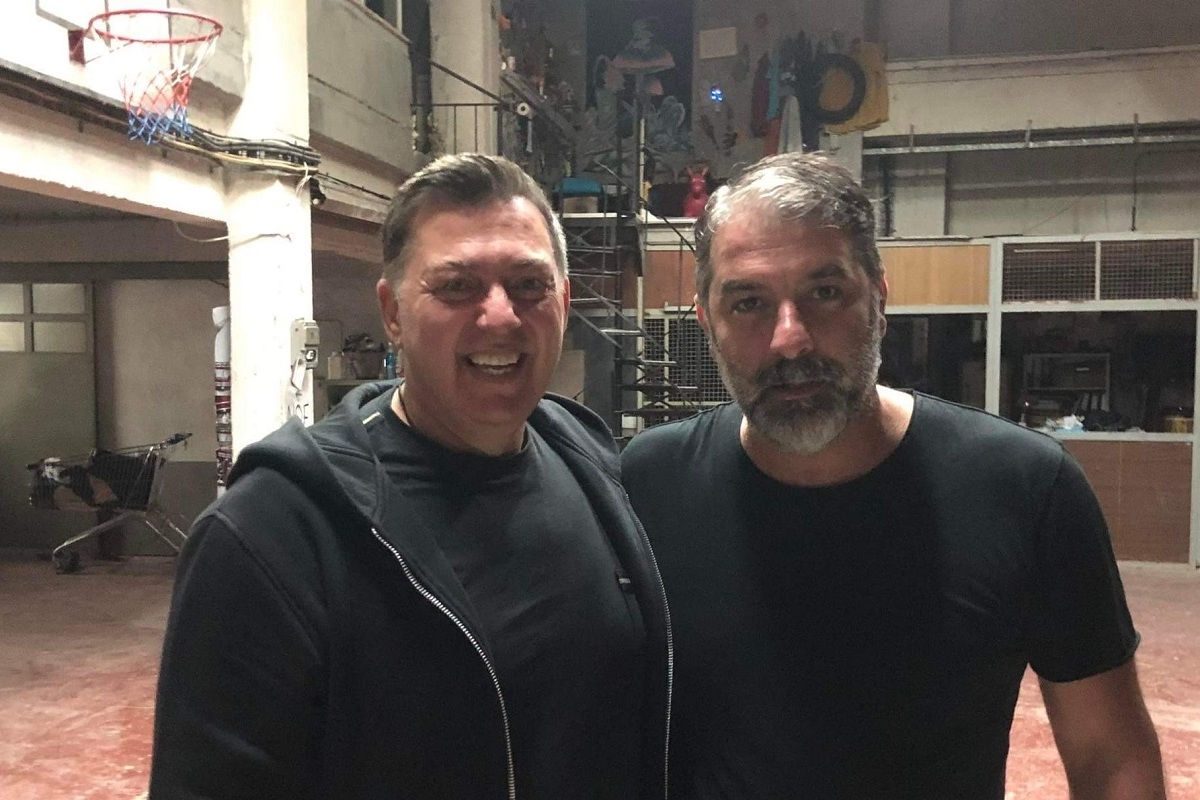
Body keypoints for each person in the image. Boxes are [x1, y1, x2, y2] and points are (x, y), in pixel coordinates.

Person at [621, 152, 1165, 800]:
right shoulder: (648, 486)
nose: (790, 338)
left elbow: (1111, 759)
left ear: (879, 299)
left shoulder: (1024, 490)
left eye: (825, 292)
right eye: (748, 303)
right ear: (707, 322)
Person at [151, 154, 672, 799]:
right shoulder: (272, 532)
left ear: (563, 303)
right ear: (392, 312)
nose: (501, 316)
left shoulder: (591, 462)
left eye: (529, 285)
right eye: (456, 286)